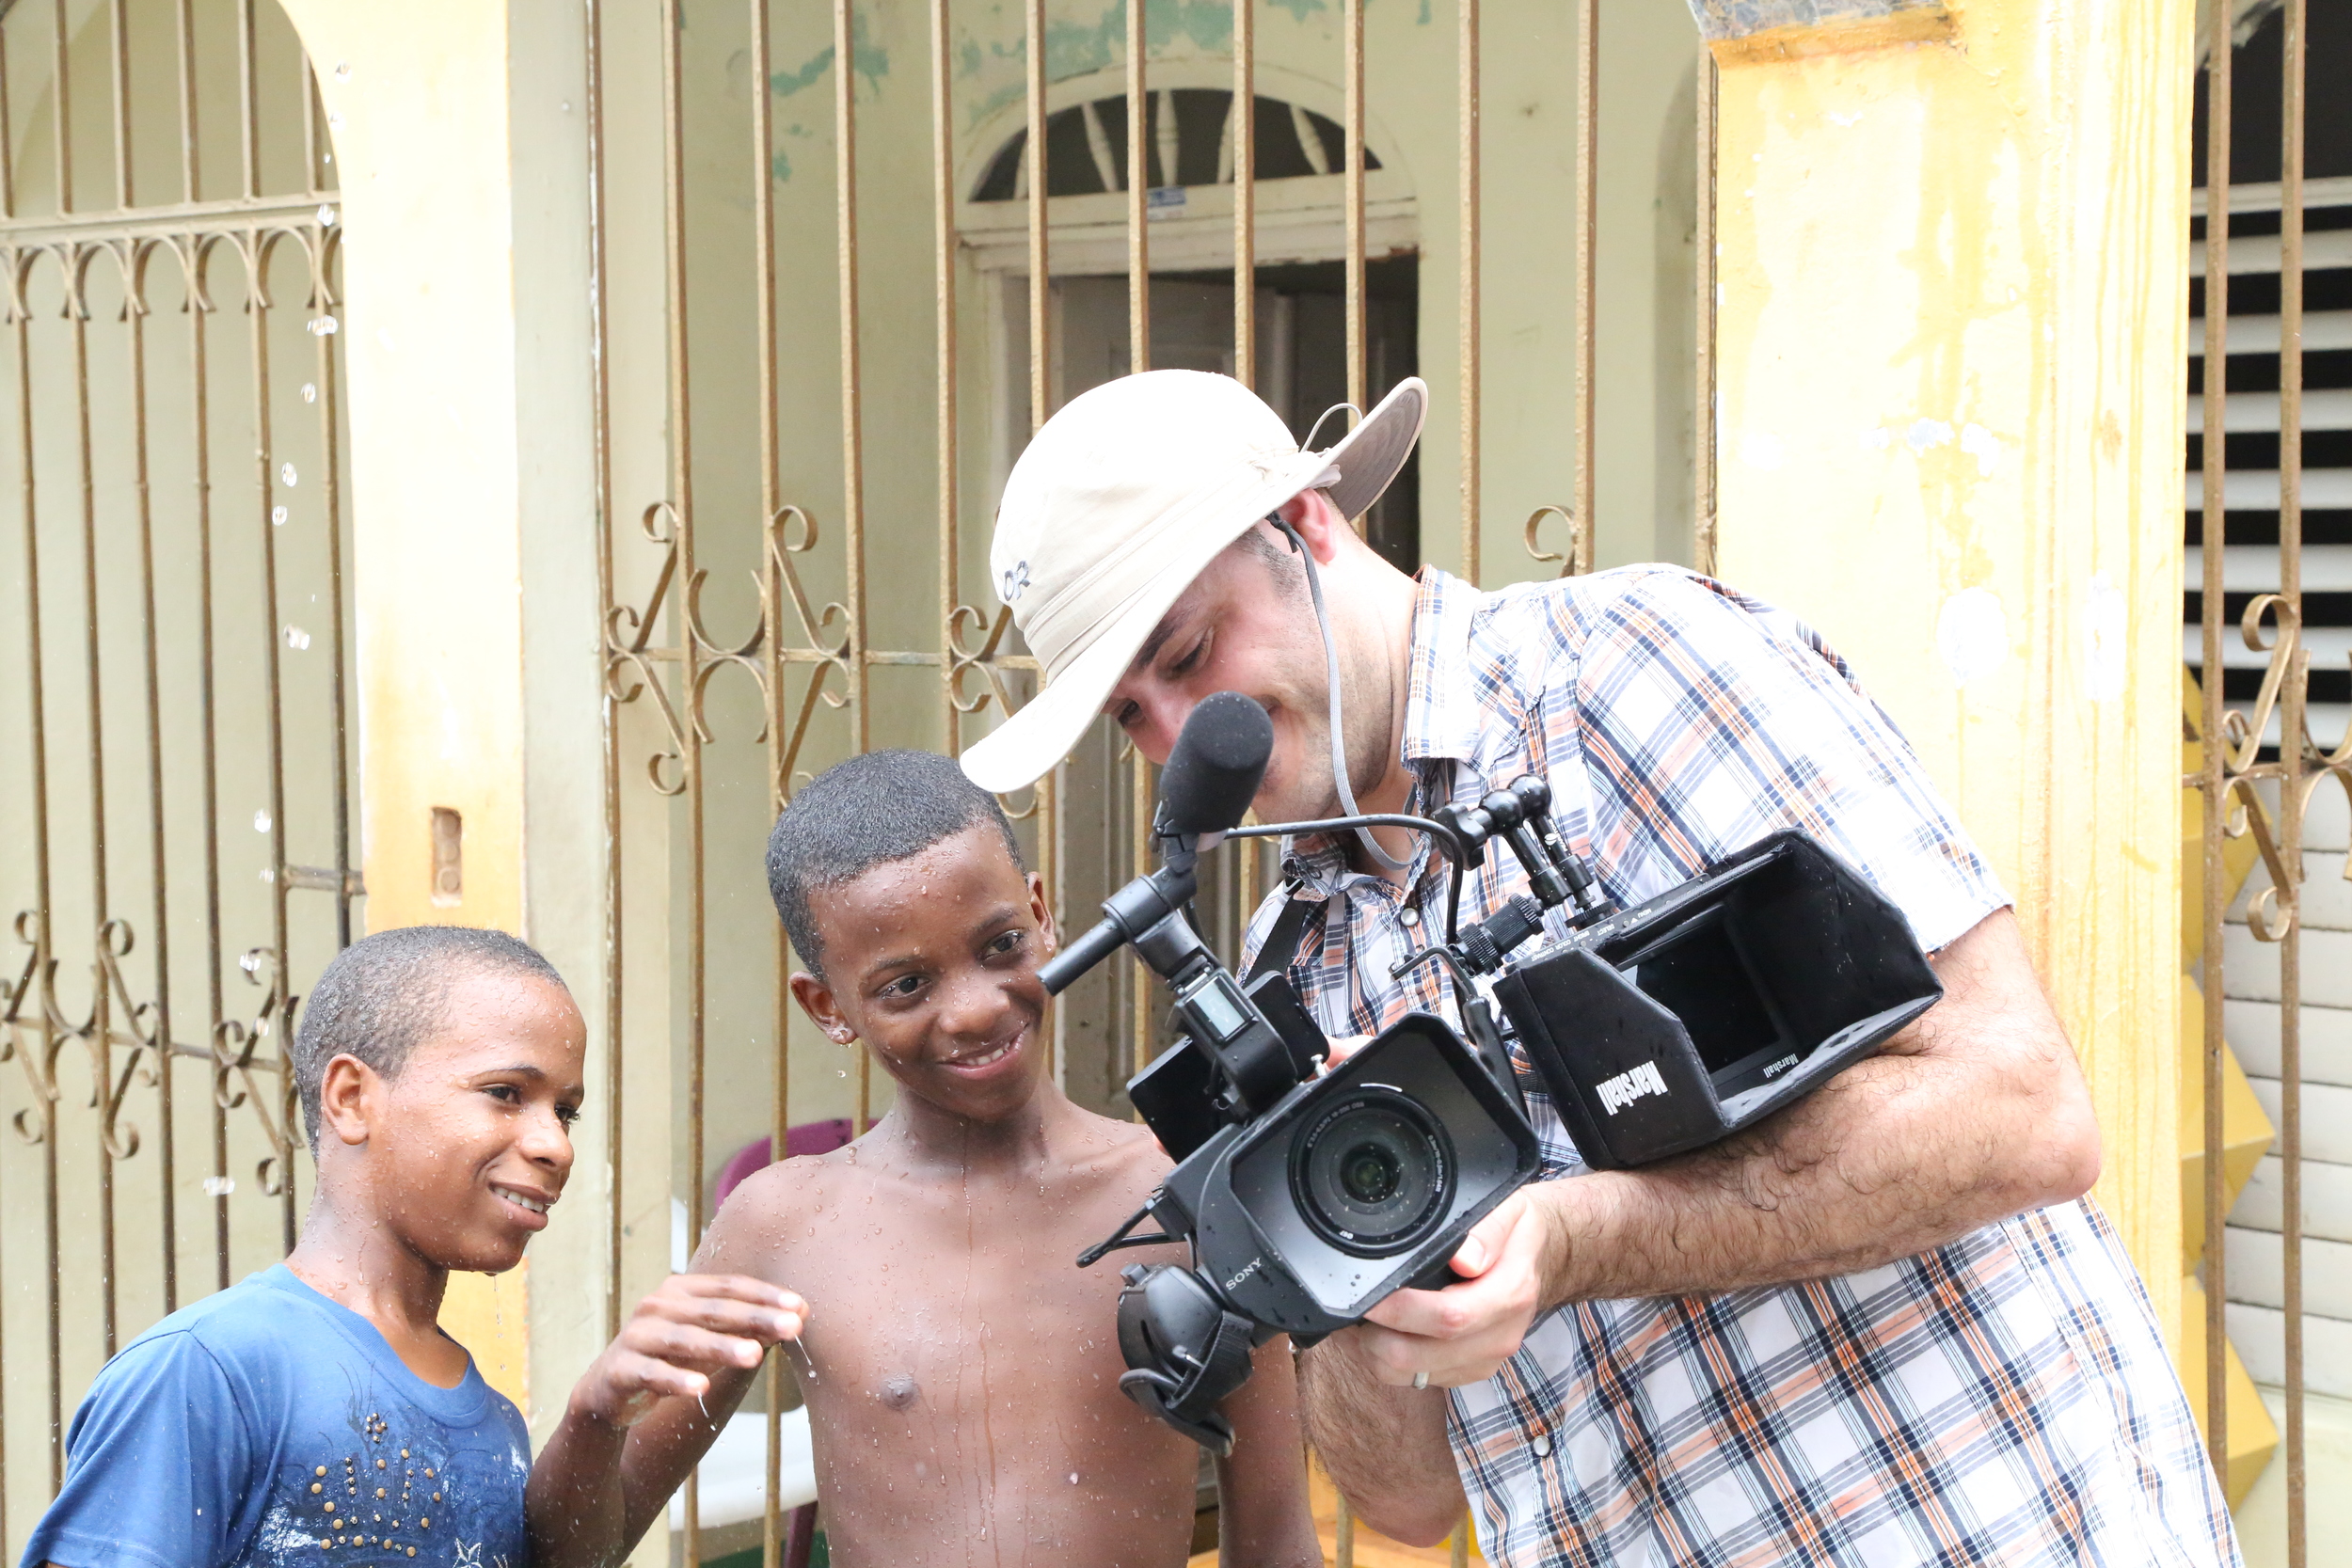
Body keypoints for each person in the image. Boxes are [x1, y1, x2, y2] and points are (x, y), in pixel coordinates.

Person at [958, 369, 2238, 1566]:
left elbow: (2025, 1110)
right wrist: (1347, 1279)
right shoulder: (1288, 967)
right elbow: (1409, 1495)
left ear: (1307, 524)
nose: (1184, 734)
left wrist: (1573, 1236)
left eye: (1186, 658)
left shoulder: (1633, 668)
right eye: (1131, 713)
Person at [528, 748, 1322, 1568]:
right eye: (906, 984)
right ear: (827, 1006)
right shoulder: (783, 1224)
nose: (976, 1010)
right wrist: (594, 1413)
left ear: (1044, 914)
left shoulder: (1193, 1196)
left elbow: (1274, 1539)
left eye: (1003, 943)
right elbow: (581, 1548)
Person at [23, 927, 606, 1567]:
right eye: (506, 1093)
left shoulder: (495, 1422)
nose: (557, 1144)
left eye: (565, 1110)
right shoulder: (210, 1369)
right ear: (352, 1098)